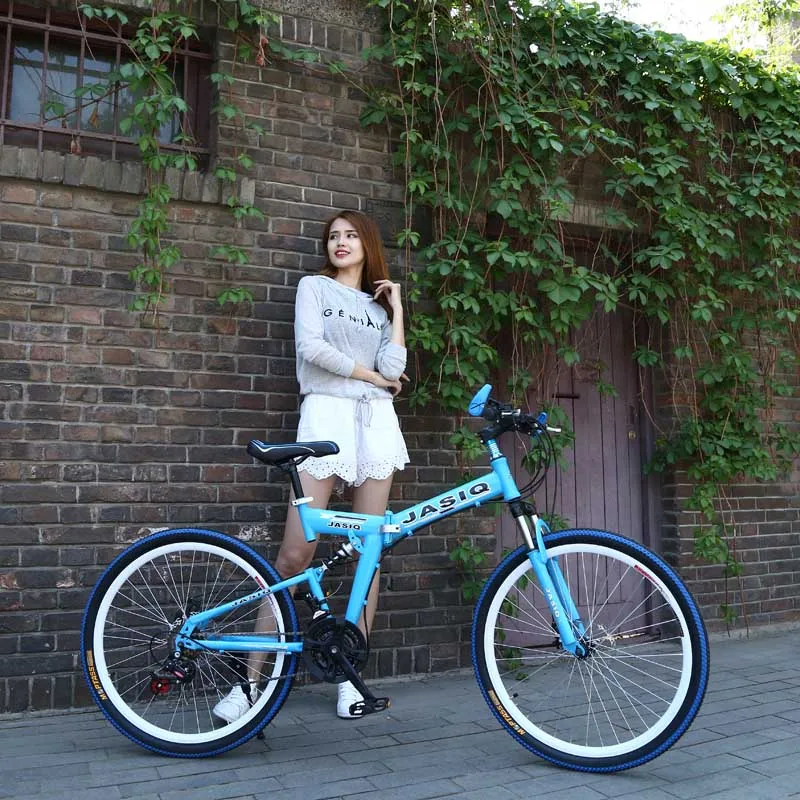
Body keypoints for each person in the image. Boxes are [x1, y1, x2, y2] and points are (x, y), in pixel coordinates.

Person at [212, 209, 409, 722]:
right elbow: (312, 349)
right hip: (325, 416)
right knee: (294, 555)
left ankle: (348, 678)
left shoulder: (378, 308)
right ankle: (249, 684)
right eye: (333, 236)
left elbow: (395, 368)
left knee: (369, 552)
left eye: (350, 235)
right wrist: (373, 377)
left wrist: (397, 308)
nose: (340, 243)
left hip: (376, 423)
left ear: (367, 244)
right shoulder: (313, 288)